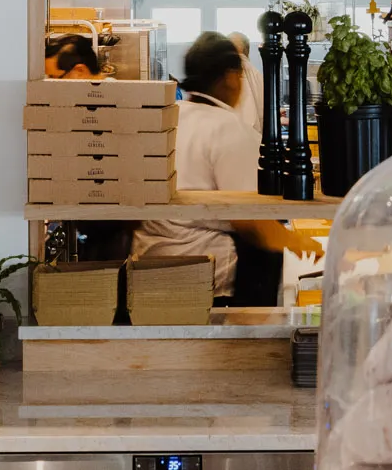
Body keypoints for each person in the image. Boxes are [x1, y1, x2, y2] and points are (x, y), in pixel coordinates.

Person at [132, 33, 322, 303]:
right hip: (206, 278)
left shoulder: (169, 116)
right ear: (231, 77)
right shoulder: (227, 129)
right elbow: (252, 223)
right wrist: (299, 242)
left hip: (146, 267)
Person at [229, 30, 264, 134]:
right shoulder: (257, 75)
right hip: (257, 137)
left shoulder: (228, 74)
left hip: (237, 135)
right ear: (247, 50)